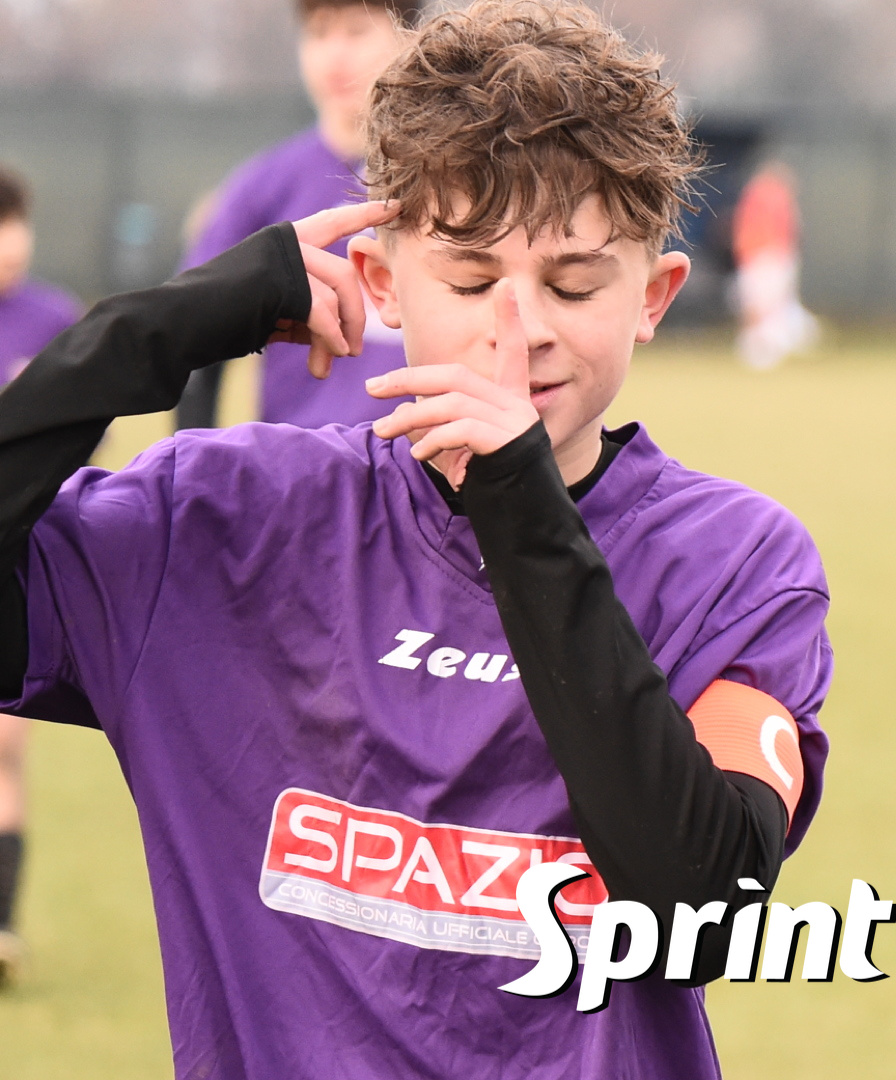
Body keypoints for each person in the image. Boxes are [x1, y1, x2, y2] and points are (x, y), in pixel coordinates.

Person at [0, 3, 829, 1076]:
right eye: (472, 281)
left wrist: (522, 511)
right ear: (385, 284)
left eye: (574, 284)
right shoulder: (219, 524)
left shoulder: (735, 564)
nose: (519, 331)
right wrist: (158, 329)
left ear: (654, 296)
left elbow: (704, 908)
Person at [174, 0, 417, 430]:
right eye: (319, 33)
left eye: (356, 31)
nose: (335, 55)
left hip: (430, 459)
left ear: (410, 39)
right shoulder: (262, 186)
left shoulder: (456, 177)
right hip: (300, 460)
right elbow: (195, 336)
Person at [0, 164, 81, 986]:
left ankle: (0, 928)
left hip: (20, 563)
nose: (10, 241)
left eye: (16, 221)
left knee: (2, 745)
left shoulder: (55, 319)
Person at [731, 162, 818, 370]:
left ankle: (766, 348)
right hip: (763, 255)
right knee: (761, 305)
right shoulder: (766, 195)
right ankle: (762, 347)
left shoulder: (771, 197)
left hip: (769, 256)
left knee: (767, 306)